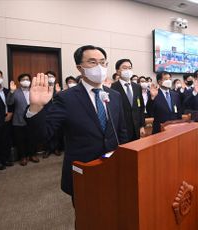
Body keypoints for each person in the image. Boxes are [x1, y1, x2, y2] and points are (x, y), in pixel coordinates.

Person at [26, 45, 128, 198]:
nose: (99, 67)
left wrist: (124, 158)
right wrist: (35, 107)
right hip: (83, 169)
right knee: (86, 218)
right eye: (93, 62)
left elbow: (121, 131)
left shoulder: (114, 96)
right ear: (80, 68)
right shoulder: (66, 98)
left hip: (112, 168)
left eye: (102, 62)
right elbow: (43, 135)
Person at [7, 73, 40, 166]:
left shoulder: (34, 91)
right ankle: (23, 157)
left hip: (33, 119)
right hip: (19, 120)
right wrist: (11, 92)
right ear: (20, 82)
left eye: (27, 79)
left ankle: (32, 155)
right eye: (23, 79)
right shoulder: (15, 91)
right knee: (20, 140)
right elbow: (9, 102)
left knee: (32, 138)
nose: (25, 81)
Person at [111, 59, 145, 141]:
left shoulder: (137, 87)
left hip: (136, 129)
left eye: (129, 68)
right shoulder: (113, 88)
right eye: (124, 68)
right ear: (118, 71)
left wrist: (142, 126)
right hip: (121, 131)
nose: (128, 70)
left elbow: (140, 107)